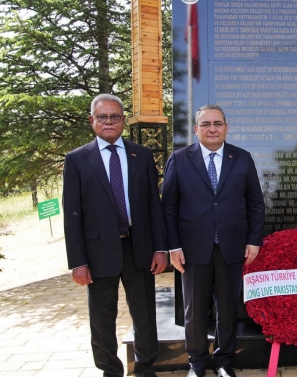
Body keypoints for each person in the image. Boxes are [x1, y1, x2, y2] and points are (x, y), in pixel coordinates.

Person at [63, 94, 167, 377]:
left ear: (123, 120)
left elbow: (153, 206)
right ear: (92, 120)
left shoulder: (141, 155)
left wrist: (161, 248)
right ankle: (110, 370)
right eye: (102, 117)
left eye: (115, 116)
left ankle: (146, 368)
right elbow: (71, 216)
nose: (109, 122)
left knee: (145, 314)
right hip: (98, 252)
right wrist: (77, 262)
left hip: (139, 248)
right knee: (101, 317)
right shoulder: (76, 160)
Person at [161, 104, 265, 377]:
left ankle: (223, 361)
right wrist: (174, 246)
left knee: (228, 308)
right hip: (192, 249)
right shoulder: (180, 159)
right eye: (205, 124)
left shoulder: (241, 158)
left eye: (217, 123)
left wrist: (254, 240)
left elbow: (255, 202)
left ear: (226, 128)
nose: (212, 128)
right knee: (194, 310)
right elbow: (169, 206)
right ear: (196, 130)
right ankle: (196, 363)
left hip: (232, 246)